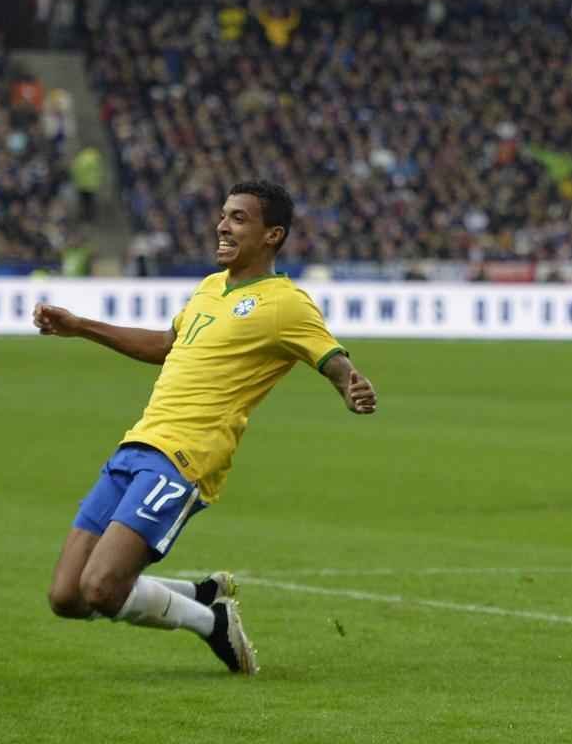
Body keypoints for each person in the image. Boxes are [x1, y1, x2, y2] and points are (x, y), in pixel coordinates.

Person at [34, 180, 377, 674]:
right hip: (136, 446)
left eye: (239, 218)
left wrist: (350, 385)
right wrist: (81, 327)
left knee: (102, 589)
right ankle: (201, 595)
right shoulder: (209, 287)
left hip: (183, 459)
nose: (222, 226)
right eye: (223, 215)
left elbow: (332, 358)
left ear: (273, 235)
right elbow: (165, 346)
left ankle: (210, 622)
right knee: (67, 596)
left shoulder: (285, 303)